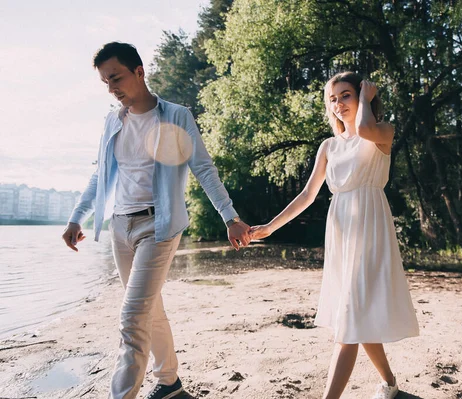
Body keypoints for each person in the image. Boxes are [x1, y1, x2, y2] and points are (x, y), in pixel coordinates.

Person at [61, 42, 251, 399]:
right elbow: (99, 175)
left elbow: (203, 169)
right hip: (121, 227)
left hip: (158, 226)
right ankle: (169, 383)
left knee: (132, 318)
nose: (111, 88)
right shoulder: (112, 120)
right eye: (105, 82)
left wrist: (231, 217)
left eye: (115, 78)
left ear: (139, 71)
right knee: (150, 309)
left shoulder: (175, 115)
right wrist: (76, 217)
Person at [250, 72, 420, 399]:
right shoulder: (328, 147)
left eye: (345, 95)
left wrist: (367, 103)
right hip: (341, 230)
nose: (338, 103)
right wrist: (269, 228)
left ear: (362, 96)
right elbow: (307, 195)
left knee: (349, 321)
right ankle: (390, 384)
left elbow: (366, 129)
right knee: (355, 314)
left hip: (371, 227)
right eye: (332, 98)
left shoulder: (383, 131)